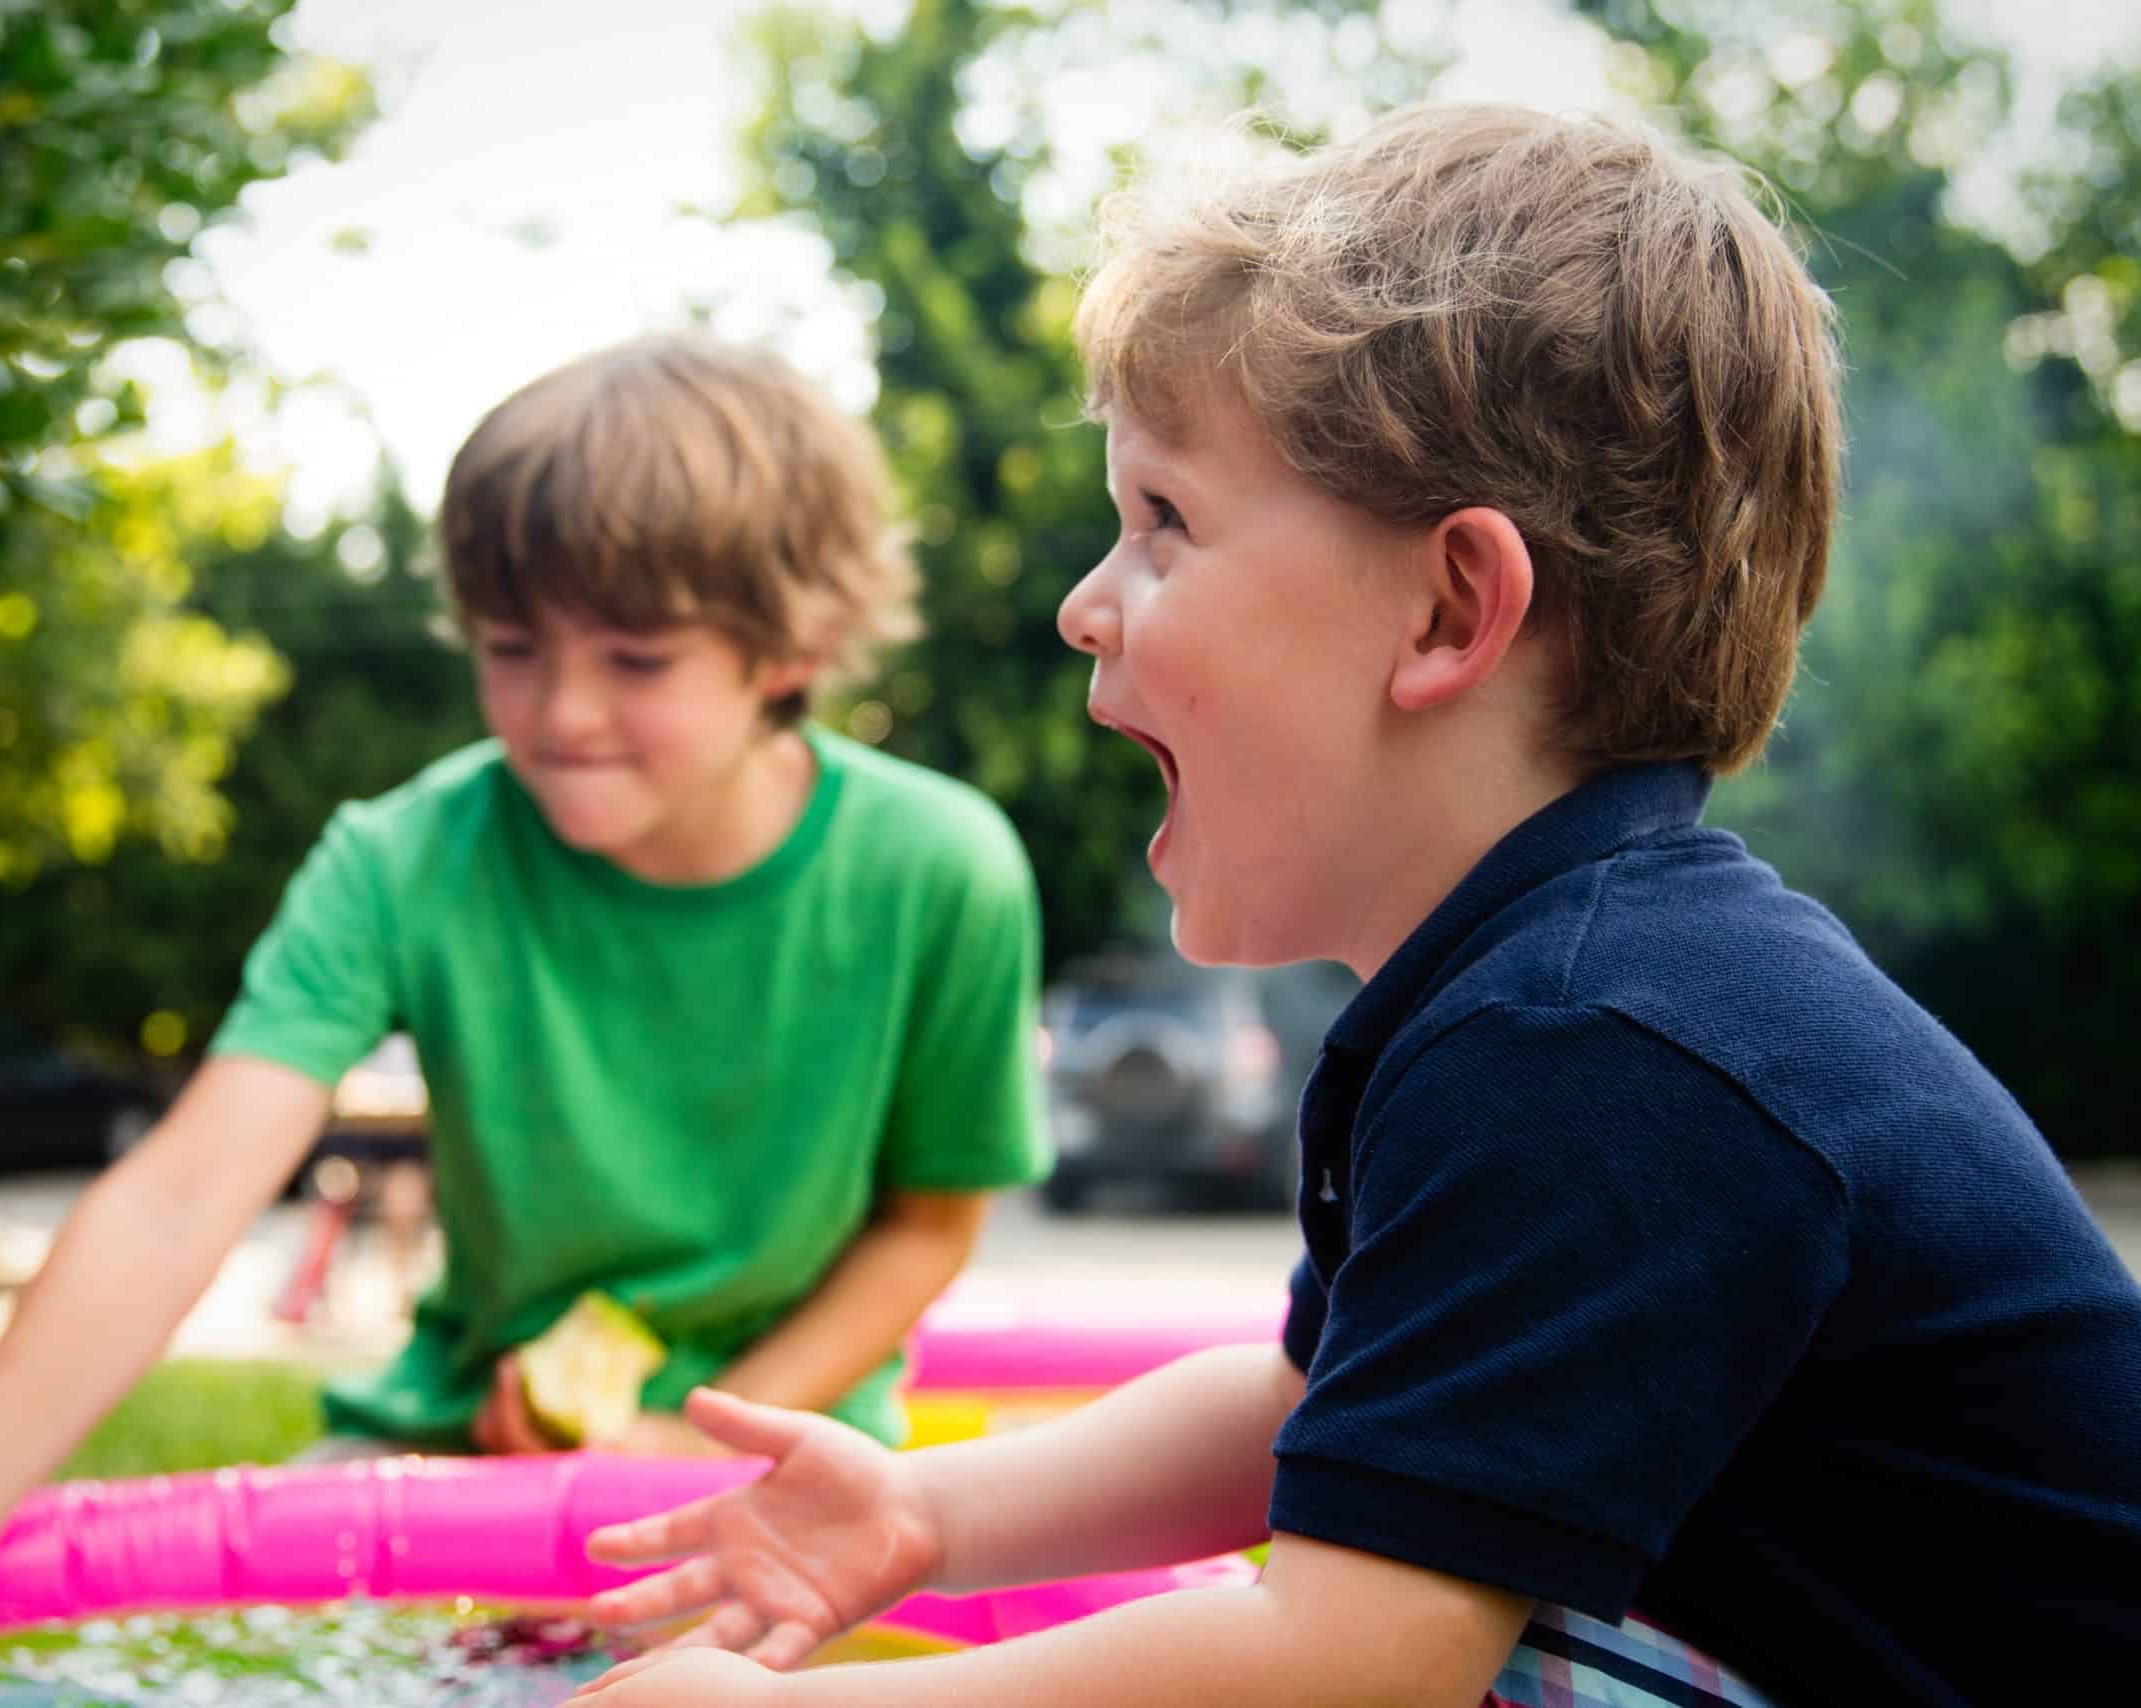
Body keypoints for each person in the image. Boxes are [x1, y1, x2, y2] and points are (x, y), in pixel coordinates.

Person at [563, 105, 2141, 1708]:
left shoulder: (1604, 1047)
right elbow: (1309, 1405)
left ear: (1451, 607)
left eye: (1165, 522)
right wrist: (924, 1511)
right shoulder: (1540, 994)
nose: (1083, 603)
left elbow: (1349, 1665)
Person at [0, 334, 1053, 1667]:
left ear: (790, 645)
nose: (562, 712)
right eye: (512, 648)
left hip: (789, 1470)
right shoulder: (403, 857)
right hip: (449, 1451)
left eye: (636, 659)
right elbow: (174, 1206)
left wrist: (695, 1434)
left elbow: (926, 1227)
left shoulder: (943, 870)